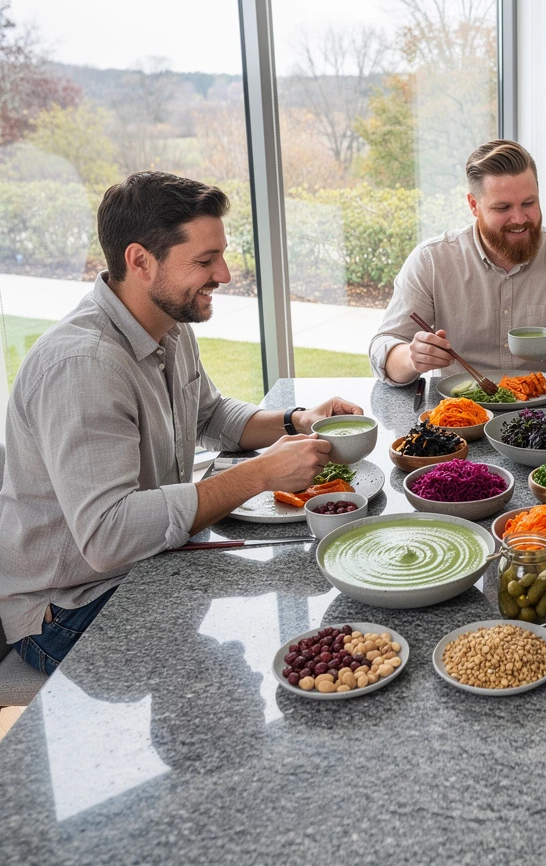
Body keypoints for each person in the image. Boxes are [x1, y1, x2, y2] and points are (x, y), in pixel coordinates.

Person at [0, 171, 361, 674]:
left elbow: (210, 413)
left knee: (314, 591)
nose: (226, 274)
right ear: (140, 261)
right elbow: (109, 535)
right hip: (71, 607)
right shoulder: (85, 364)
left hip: (147, 562)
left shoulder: (167, 324)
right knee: (295, 634)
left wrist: (299, 420)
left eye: (222, 255)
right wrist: (259, 474)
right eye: (205, 260)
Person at [369, 140, 546, 385]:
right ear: (474, 205)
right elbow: (383, 349)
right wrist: (411, 357)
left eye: (529, 203)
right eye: (503, 208)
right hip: (462, 417)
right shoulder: (432, 261)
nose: (520, 218)